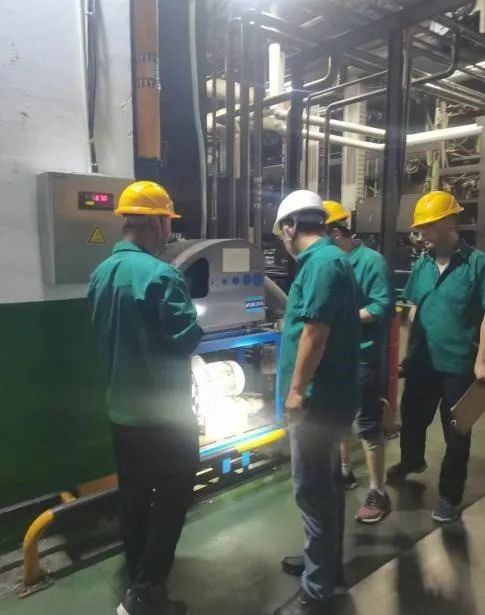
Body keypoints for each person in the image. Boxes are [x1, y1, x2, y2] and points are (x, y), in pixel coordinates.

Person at [88, 181, 203, 615]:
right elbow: (185, 338)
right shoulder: (162, 275)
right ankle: (148, 594)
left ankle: (138, 574)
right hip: (166, 419)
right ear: (156, 223)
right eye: (167, 224)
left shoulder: (100, 274)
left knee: (134, 497)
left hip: (121, 413)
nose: (168, 233)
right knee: (172, 500)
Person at [273, 190, 360, 615]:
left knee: (311, 491)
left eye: (282, 234)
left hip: (317, 403)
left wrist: (295, 391)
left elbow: (316, 334)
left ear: (291, 226)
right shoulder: (327, 261)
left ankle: (317, 588)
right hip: (329, 397)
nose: (283, 243)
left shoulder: (322, 264)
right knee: (326, 487)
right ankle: (325, 565)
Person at [387, 191, 485, 524]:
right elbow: (415, 311)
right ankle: (412, 460)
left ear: (450, 223)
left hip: (459, 365)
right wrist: (407, 353)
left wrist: (482, 360)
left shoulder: (477, 264)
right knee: (412, 418)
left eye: (428, 226)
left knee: (457, 433)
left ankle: (449, 496)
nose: (421, 234)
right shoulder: (423, 265)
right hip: (422, 362)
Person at [324, 201, 393, 524]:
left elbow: (380, 307)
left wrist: (343, 318)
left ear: (338, 232)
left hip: (361, 355)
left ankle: (378, 491)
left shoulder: (371, 262)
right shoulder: (327, 262)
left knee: (365, 423)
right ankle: (344, 472)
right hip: (332, 354)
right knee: (338, 417)